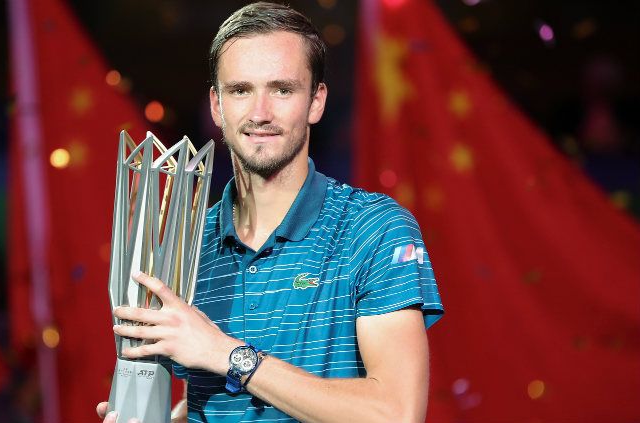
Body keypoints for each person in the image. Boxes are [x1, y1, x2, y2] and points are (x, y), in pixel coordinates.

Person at [98, 2, 443, 422]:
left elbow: (395, 413)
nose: (260, 114)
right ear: (216, 105)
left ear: (316, 102)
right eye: (240, 90)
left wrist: (226, 354)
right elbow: (214, 402)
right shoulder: (189, 243)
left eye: (281, 89)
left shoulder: (373, 228)